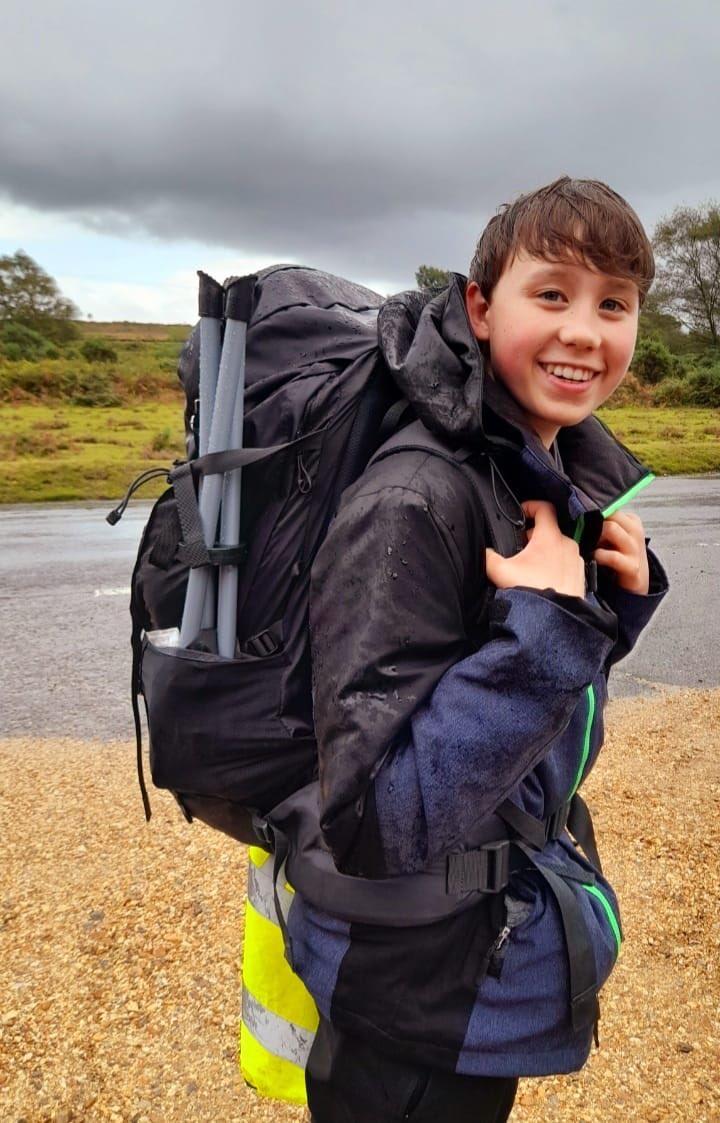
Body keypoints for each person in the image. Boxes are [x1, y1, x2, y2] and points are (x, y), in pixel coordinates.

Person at [285, 177, 669, 1122]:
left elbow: (512, 729)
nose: (586, 330)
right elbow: (373, 820)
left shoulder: (526, 471)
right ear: (478, 304)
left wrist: (600, 613)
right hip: (413, 994)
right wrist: (546, 627)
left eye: (613, 302)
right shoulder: (416, 497)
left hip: (465, 963)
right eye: (553, 293)